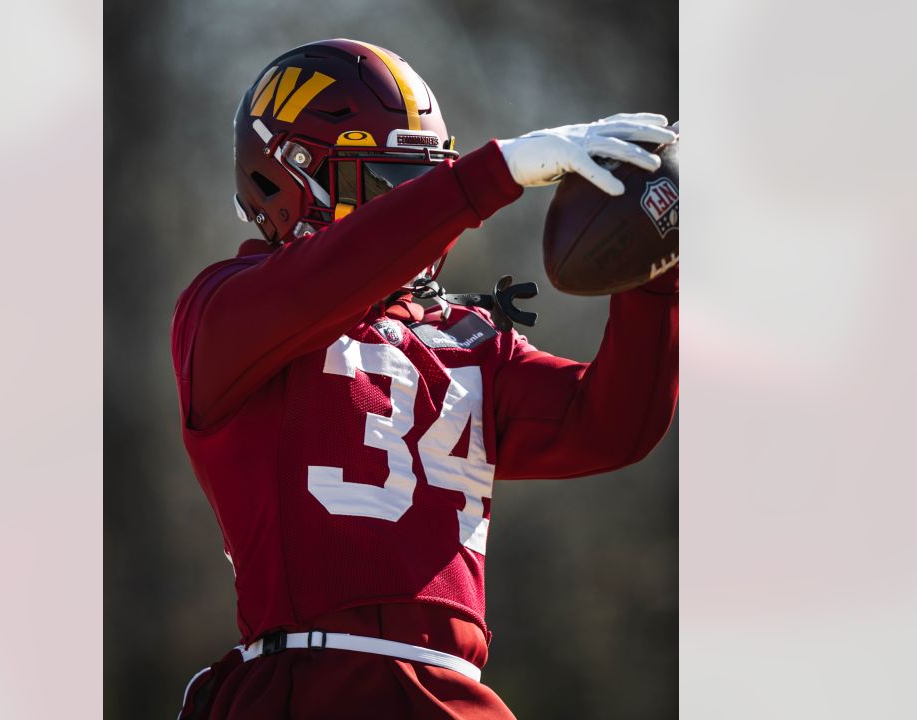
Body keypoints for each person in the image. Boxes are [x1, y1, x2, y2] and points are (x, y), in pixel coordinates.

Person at [171, 38, 678, 719]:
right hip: (312, 686)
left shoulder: (464, 340)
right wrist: (485, 177)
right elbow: (313, 287)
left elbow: (613, 425)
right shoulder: (225, 314)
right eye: (382, 183)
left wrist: (655, 276)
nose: (417, 208)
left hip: (455, 696)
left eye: (425, 180)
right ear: (281, 181)